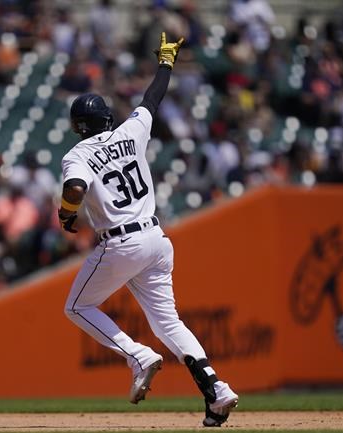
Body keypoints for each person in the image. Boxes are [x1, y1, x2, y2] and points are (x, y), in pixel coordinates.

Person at [58, 32, 238, 427]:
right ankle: (216, 389)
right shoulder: (129, 131)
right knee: (168, 322)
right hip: (157, 239)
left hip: (121, 243)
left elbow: (74, 189)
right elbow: (152, 98)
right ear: (107, 117)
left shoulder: (79, 153)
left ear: (78, 127)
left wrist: (66, 214)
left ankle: (137, 355)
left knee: (76, 306)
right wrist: (166, 62)